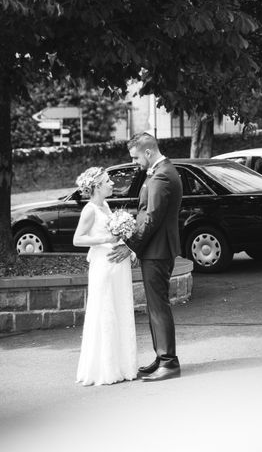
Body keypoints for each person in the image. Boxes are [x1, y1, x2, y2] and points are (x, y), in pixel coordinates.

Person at [108, 133, 183, 382]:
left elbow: (152, 217)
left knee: (159, 306)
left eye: (136, 157)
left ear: (148, 152)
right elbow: (145, 213)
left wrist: (131, 246)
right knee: (154, 306)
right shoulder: (158, 171)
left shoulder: (162, 175)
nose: (134, 163)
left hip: (158, 250)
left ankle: (169, 362)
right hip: (155, 248)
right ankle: (161, 357)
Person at [73, 167, 138, 386]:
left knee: (118, 310)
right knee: (104, 312)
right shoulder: (90, 210)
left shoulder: (106, 205)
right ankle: (104, 368)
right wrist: (105, 240)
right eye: (108, 181)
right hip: (102, 266)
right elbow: (78, 239)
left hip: (116, 267)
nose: (112, 183)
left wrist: (127, 245)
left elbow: (114, 235)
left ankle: (121, 365)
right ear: (98, 186)